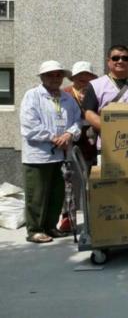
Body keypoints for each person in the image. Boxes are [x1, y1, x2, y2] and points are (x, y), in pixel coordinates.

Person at [20, 61, 82, 243]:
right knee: (37, 194)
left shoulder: (68, 98)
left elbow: (77, 121)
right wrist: (55, 138)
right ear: (42, 77)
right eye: (50, 75)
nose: (55, 78)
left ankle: (50, 226)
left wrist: (70, 134)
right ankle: (35, 229)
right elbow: (29, 126)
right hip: (38, 155)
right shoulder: (32, 96)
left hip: (62, 154)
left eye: (58, 75)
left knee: (57, 193)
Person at [57, 61, 98, 233]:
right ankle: (68, 219)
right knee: (70, 183)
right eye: (79, 76)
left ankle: (93, 219)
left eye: (87, 76)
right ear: (72, 78)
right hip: (71, 145)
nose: (83, 79)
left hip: (92, 145)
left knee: (91, 184)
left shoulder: (95, 92)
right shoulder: (64, 94)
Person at [82, 45, 128, 147]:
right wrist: (109, 128)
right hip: (107, 143)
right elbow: (88, 113)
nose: (120, 61)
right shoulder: (96, 85)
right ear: (108, 61)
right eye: (115, 58)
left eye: (125, 58)